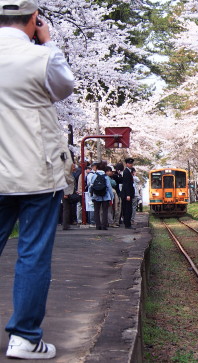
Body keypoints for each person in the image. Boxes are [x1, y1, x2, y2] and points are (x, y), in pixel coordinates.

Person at [0, 0, 75, 359]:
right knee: (32, 255)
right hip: (37, 174)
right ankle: (24, 338)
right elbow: (64, 88)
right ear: (34, 19)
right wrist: (46, 42)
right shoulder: (42, 57)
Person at [89, 162, 113, 230]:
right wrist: (111, 197)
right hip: (105, 196)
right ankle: (104, 225)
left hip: (96, 195)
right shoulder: (106, 176)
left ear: (97, 168)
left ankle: (98, 225)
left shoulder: (94, 175)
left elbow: (91, 185)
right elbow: (109, 187)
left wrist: (91, 195)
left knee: (96, 210)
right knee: (105, 211)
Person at [121, 158, 135, 229]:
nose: (131, 164)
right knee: (127, 209)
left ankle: (128, 223)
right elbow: (126, 184)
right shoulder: (126, 172)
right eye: (129, 163)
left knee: (129, 209)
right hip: (127, 194)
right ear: (126, 164)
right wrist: (128, 194)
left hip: (128, 193)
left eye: (131, 163)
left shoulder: (129, 172)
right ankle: (127, 224)